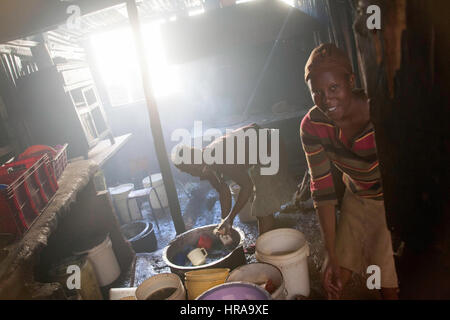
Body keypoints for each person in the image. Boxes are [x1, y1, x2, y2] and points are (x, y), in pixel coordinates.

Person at [300, 43, 399, 299]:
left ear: (351, 81)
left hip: (389, 199)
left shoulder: (380, 113)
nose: (327, 99)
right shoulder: (312, 127)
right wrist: (331, 253)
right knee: (336, 275)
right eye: (317, 92)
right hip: (356, 193)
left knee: (386, 282)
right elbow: (321, 190)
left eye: (334, 88)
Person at [171, 123, 295, 236]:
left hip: (269, 145)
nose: (191, 174)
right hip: (258, 151)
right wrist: (224, 222)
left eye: (188, 170)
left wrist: (231, 217)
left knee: (262, 206)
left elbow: (247, 186)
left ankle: (264, 247)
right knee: (260, 203)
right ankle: (270, 232)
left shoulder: (218, 157)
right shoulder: (205, 166)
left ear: (193, 163)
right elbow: (223, 192)